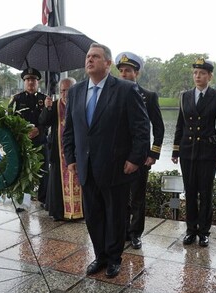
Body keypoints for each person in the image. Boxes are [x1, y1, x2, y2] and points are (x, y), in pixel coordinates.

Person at [62, 43, 150, 278]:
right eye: (88, 56)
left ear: (107, 63)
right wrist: (70, 157)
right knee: (93, 216)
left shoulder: (125, 90)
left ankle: (114, 258)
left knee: (115, 216)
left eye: (95, 57)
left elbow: (141, 128)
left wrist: (135, 159)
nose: (89, 60)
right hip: (87, 167)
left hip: (116, 168)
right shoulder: (76, 91)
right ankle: (100, 256)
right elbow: (69, 130)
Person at [171, 58, 216, 248]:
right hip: (187, 151)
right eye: (195, 73)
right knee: (190, 191)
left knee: (205, 192)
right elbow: (180, 124)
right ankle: (190, 230)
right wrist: (175, 149)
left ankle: (204, 231)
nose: (198, 76)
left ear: (210, 76)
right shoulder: (185, 96)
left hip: (207, 151)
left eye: (202, 73)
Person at [115, 52, 165, 250]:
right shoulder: (114, 94)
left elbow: (159, 128)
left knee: (137, 197)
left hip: (140, 156)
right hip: (118, 155)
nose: (124, 74)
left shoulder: (148, 96)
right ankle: (122, 231)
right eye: (121, 71)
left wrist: (153, 154)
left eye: (128, 71)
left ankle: (135, 233)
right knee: (119, 196)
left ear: (137, 73)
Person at [39, 77, 84, 221]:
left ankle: (79, 213)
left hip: (77, 151)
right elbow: (43, 122)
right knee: (58, 182)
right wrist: (47, 108)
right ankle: (59, 213)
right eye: (62, 91)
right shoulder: (55, 105)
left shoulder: (81, 103)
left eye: (68, 90)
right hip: (58, 152)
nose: (65, 93)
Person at [8, 67, 51, 210]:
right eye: (27, 80)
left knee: (44, 170)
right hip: (23, 142)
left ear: (38, 82)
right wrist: (23, 132)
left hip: (41, 141)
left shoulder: (44, 99)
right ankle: (22, 201)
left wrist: (39, 129)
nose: (30, 82)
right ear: (24, 82)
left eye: (33, 80)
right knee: (23, 171)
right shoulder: (16, 99)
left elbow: (50, 120)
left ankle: (44, 199)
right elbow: (10, 120)